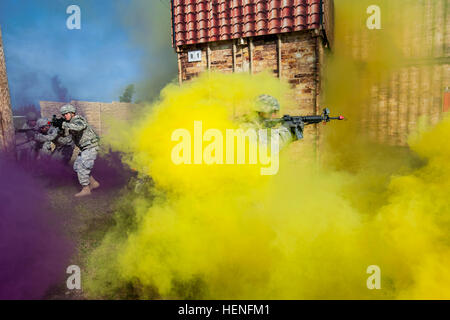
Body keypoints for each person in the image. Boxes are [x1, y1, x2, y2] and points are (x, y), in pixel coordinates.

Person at [60, 104, 100, 197]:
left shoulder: (78, 120)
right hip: (85, 148)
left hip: (91, 147)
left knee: (82, 168)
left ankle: (86, 189)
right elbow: (67, 139)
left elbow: (79, 127)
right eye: (63, 114)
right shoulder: (71, 124)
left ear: (72, 113)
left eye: (66, 114)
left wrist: (64, 124)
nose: (64, 116)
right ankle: (93, 183)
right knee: (77, 166)